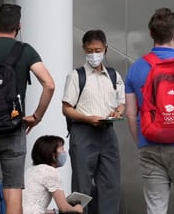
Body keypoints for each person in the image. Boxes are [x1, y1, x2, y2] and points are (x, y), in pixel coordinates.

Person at [0, 3, 56, 214]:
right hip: (13, 129)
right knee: (12, 189)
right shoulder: (25, 51)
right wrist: (36, 117)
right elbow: (49, 84)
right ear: (18, 26)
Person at [123, 7, 174, 214]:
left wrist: (142, 142)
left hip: (149, 146)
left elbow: (130, 114)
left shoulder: (136, 68)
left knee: (156, 208)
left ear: (151, 34)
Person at [61, 29, 125, 214]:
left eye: (97, 50)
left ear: (105, 49)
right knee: (81, 185)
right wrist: (88, 119)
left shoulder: (113, 75)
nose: (94, 54)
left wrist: (117, 112)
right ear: (84, 49)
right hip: (83, 132)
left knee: (111, 184)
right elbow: (66, 108)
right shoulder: (76, 76)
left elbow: (121, 103)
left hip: (107, 131)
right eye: (89, 50)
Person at [23, 135, 84, 213]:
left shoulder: (30, 171)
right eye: (62, 149)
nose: (64, 153)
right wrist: (78, 209)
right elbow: (64, 208)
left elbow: (32, 208)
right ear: (52, 153)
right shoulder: (50, 172)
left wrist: (55, 212)